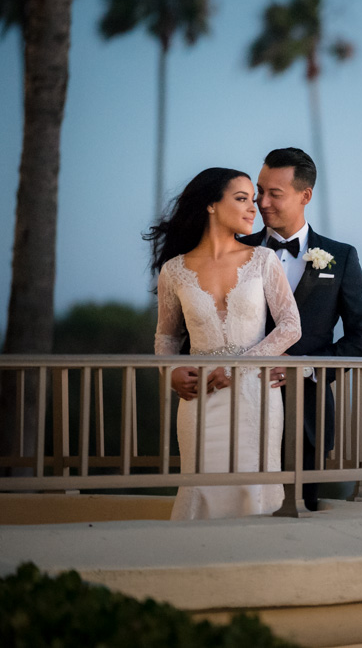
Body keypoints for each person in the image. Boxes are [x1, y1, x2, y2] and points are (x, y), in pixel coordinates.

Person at [149, 167, 301, 520]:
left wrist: (237, 367)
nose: (254, 208)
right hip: (200, 397)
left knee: (254, 486)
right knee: (200, 485)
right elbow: (167, 335)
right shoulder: (173, 270)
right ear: (211, 205)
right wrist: (169, 372)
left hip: (256, 396)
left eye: (254, 199)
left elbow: (291, 326)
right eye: (242, 198)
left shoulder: (262, 260)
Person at [238, 147, 362, 511]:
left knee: (297, 514)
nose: (261, 202)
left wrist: (308, 367)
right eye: (259, 190)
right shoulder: (236, 251)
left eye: (274, 193)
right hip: (238, 405)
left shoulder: (341, 256)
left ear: (305, 195)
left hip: (307, 414)